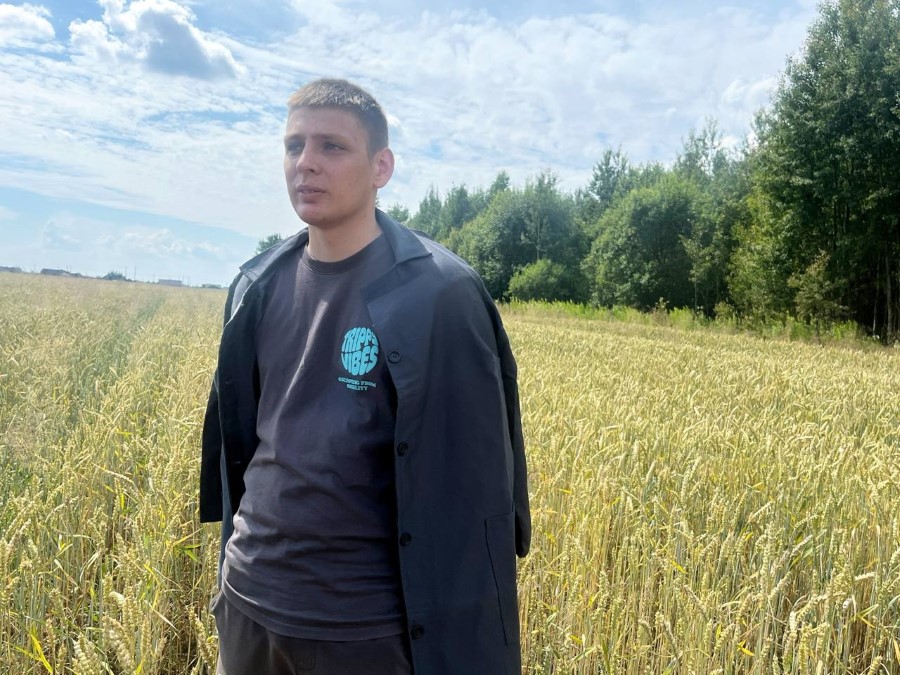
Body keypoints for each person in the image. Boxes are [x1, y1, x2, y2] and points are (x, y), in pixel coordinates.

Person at [199, 78, 530, 675]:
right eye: (294, 145)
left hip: (364, 629)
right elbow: (244, 447)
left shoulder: (441, 295)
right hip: (249, 604)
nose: (306, 163)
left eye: (332, 146)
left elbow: (476, 490)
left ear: (382, 167)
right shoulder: (255, 286)